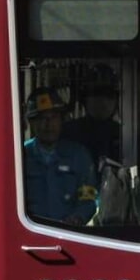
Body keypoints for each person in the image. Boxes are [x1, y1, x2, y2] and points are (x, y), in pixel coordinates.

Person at [23, 87, 98, 225]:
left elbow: (89, 200)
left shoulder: (79, 156)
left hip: (68, 235)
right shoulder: (20, 157)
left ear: (61, 120)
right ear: (31, 122)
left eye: (53, 117)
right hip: (30, 234)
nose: (48, 124)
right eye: (41, 118)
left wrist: (78, 217)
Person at [62, 65, 122, 169]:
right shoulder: (68, 133)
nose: (103, 101)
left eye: (109, 95)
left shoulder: (123, 135)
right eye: (96, 94)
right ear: (84, 99)